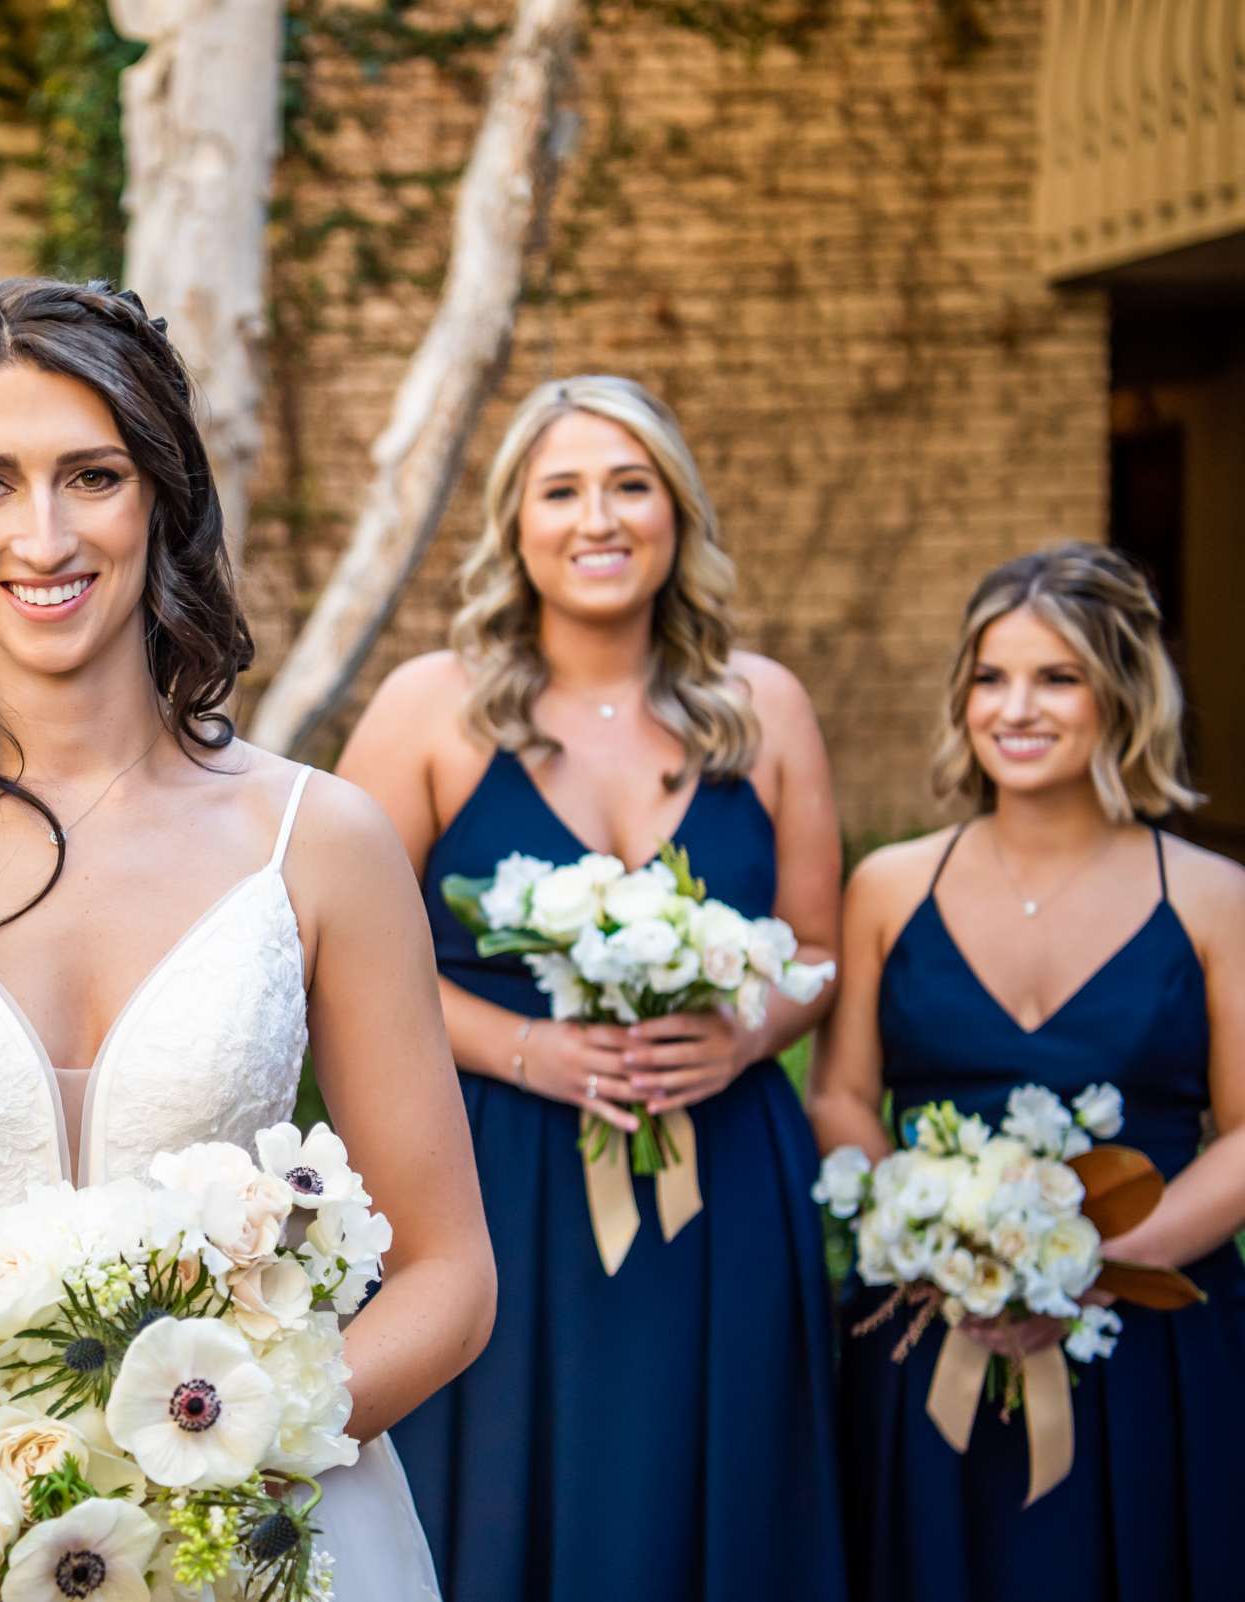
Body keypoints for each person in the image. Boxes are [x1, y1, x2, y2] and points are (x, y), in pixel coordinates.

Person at [0, 276, 495, 1599]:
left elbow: (451, 1272)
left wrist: (225, 1451)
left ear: (163, 494)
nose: (44, 534)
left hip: (271, 1539)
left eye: (93, 475)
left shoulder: (321, 840)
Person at [338, 375, 848, 1599]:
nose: (598, 518)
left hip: (723, 1171)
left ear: (678, 512)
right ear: (517, 522)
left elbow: (818, 949)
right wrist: (528, 1050)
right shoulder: (430, 712)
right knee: (514, 1486)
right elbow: (332, 965)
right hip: (496, 1181)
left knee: (715, 1483)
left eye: (631, 486)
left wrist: (741, 1039)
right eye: (561, 490)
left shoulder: (764, 708)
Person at [808, 542, 1245, 1601]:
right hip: (926, 1330)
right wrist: (939, 1253)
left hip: (1151, 1350)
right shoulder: (889, 887)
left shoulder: (1213, 896)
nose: (1018, 707)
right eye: (991, 679)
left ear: (1123, 693)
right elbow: (840, 1093)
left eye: (1059, 677)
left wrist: (1085, 1269)